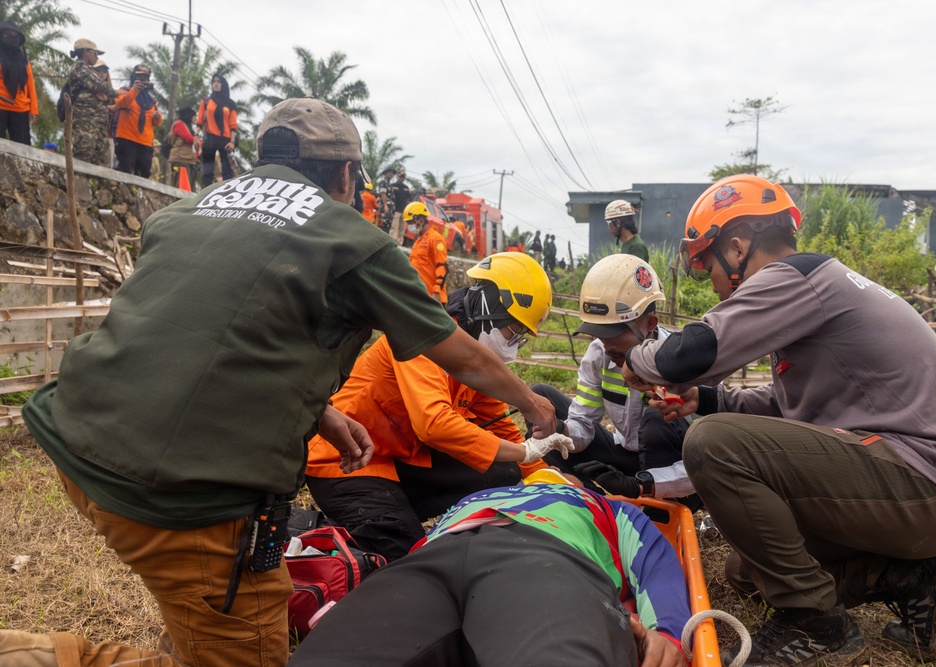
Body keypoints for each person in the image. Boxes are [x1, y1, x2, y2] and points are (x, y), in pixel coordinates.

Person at [8, 97, 556, 667]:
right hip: (178, 489)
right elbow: (462, 358)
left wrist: (319, 410)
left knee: (211, 619)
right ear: (347, 174)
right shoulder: (352, 239)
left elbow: (213, 331)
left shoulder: (190, 211)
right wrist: (533, 405)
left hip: (74, 436)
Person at [622, 174, 936, 665]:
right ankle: (918, 579)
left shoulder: (796, 277)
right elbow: (785, 406)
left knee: (712, 444)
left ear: (735, 248)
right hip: (929, 493)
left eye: (704, 266)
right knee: (749, 571)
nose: (709, 282)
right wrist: (704, 400)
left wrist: (637, 358)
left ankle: (817, 624)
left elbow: (693, 351)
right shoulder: (817, 292)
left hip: (928, 482)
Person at [306, 253, 571, 561]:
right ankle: (342, 530)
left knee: (504, 472)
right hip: (346, 463)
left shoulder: (478, 365)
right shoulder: (420, 338)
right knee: (407, 557)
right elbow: (434, 424)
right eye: (513, 331)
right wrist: (525, 451)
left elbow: (500, 425)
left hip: (401, 461)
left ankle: (391, 514)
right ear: (489, 308)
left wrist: (549, 478)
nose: (513, 344)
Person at [289, 471, 690, 667]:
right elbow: (656, 563)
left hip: (511, 556)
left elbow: (655, 565)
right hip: (465, 559)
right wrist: (667, 631)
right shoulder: (603, 507)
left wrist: (668, 634)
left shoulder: (601, 505)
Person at [529, 254, 696, 510]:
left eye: (613, 332)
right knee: (541, 400)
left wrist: (640, 483)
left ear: (650, 323)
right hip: (626, 456)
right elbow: (583, 425)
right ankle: (595, 503)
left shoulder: (681, 359)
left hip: (678, 473)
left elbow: (701, 457)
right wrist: (559, 428)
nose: (606, 345)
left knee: (655, 419)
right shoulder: (599, 355)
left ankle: (658, 512)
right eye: (598, 332)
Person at [64, 38, 118, 167]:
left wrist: (107, 97)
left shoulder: (88, 70)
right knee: (84, 155)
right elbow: (101, 86)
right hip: (85, 122)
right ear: (85, 52)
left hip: (97, 123)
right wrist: (121, 94)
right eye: (95, 53)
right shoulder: (79, 68)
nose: (96, 57)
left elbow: (107, 96)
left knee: (98, 158)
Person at [113, 64, 162, 178]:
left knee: (143, 175)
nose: (142, 80)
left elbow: (156, 123)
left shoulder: (151, 100)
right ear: (133, 77)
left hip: (145, 143)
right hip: (127, 139)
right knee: (125, 172)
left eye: (145, 77)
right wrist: (134, 91)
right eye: (139, 76)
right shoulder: (124, 90)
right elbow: (120, 103)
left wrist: (158, 116)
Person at [197, 72, 238, 187]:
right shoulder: (206, 101)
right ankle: (204, 193)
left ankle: (226, 194)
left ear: (223, 85)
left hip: (225, 140)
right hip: (210, 138)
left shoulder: (230, 104)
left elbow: (233, 124)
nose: (215, 84)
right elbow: (200, 120)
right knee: (207, 169)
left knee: (227, 170)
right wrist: (195, 135)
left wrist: (232, 142)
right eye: (213, 82)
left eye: (218, 82)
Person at [0, 21, 38, 145]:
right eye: (8, 34)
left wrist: (34, 110)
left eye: (15, 35)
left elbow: (30, 85)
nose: (12, 37)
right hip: (0, 106)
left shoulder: (23, 61)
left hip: (20, 108)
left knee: (23, 149)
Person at [405, 200, 449, 303]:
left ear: (420, 221)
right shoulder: (418, 242)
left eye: (410, 223)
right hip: (420, 297)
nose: (409, 226)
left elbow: (442, 266)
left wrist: (437, 292)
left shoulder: (435, 239)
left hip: (434, 298)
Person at [390, 168, 411, 243]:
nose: (401, 178)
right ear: (397, 177)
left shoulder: (406, 188)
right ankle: (393, 241)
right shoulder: (393, 186)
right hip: (396, 209)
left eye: (403, 177)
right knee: (394, 226)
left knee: (402, 228)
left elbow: (409, 198)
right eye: (400, 176)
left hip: (404, 210)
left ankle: (399, 242)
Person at [376, 165, 396, 236]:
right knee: (383, 224)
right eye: (390, 172)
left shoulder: (389, 184)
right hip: (385, 205)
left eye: (392, 173)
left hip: (390, 206)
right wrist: (385, 205)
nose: (391, 174)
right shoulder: (383, 182)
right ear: (385, 173)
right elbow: (383, 194)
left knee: (388, 225)